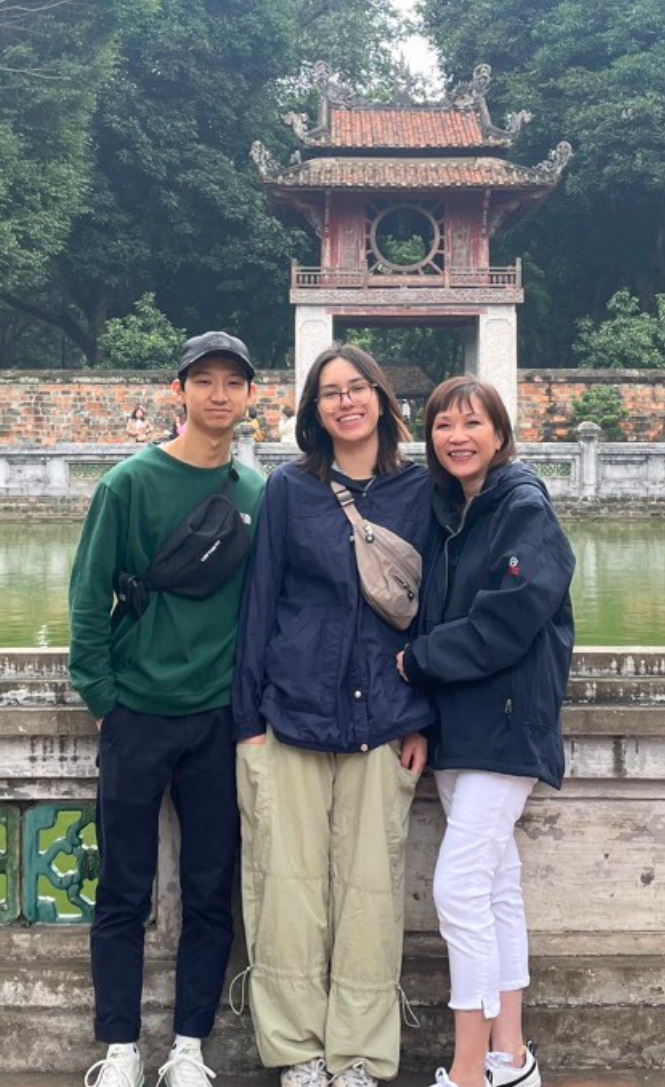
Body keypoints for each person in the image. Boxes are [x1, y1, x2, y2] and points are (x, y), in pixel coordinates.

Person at [232, 344, 435, 1087]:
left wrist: (424, 721)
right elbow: (261, 603)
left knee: (371, 893)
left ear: (382, 398)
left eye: (357, 389)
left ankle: (359, 1052)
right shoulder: (290, 491)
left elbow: (434, 618)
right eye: (328, 394)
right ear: (313, 412)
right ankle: (296, 1050)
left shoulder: (423, 492)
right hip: (291, 711)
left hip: (385, 719)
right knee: (284, 888)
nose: (345, 402)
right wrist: (247, 721)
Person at [68, 331, 266, 1087]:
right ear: (176, 392)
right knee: (123, 885)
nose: (219, 395)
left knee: (212, 890)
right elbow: (88, 595)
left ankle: (189, 1047)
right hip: (138, 714)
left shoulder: (257, 495)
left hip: (218, 718)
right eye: (204, 381)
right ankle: (119, 1048)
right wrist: (103, 696)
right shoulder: (129, 483)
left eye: (233, 383)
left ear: (251, 398)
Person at [397, 376, 575, 1087]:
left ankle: (468, 1071)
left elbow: (509, 619)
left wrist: (418, 660)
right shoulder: (451, 514)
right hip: (458, 725)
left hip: (506, 724)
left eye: (473, 423)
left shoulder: (523, 506)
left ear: (500, 434)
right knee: (497, 886)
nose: (457, 437)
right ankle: (512, 1058)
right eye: (443, 425)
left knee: (459, 890)